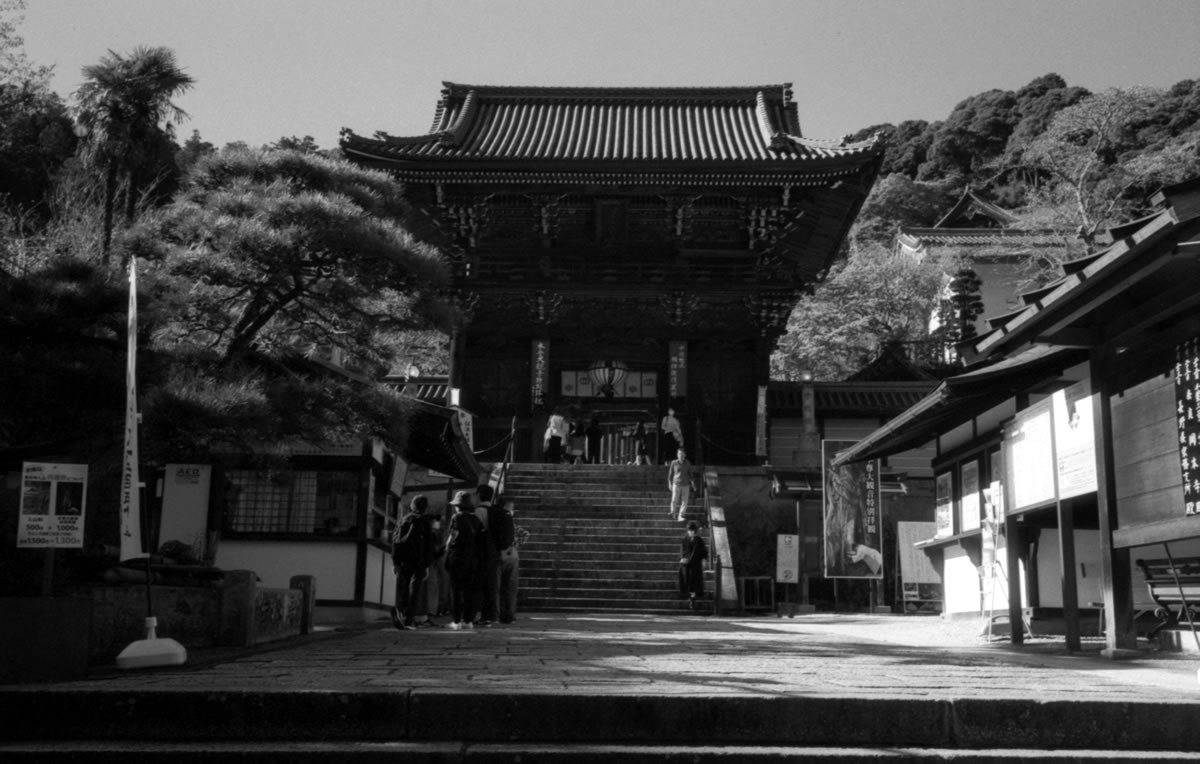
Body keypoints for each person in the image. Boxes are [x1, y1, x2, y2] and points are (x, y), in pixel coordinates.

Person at [391, 495, 435, 630]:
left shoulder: (402, 520)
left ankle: (400, 611)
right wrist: (427, 565)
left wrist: (395, 562)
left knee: (403, 587)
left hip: (403, 560)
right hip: (419, 561)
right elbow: (429, 546)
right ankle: (408, 620)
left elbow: (395, 542)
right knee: (414, 590)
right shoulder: (424, 522)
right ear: (425, 508)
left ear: (412, 506)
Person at [444, 490, 484, 630]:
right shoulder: (476, 520)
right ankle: (468, 620)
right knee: (469, 590)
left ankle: (456, 620)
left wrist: (447, 547)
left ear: (459, 506)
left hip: (458, 557)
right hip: (473, 559)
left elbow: (453, 534)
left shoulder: (457, 517)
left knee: (455, 590)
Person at [492, 493, 530, 624]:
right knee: (510, 588)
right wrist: (515, 546)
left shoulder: (496, 516)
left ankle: (496, 615)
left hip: (499, 553)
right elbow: (525, 534)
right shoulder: (510, 519)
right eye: (511, 507)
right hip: (512, 554)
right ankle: (509, 615)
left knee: (496, 587)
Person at [475, 483, 500, 626]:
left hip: (481, 551)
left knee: (479, 584)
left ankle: (479, 613)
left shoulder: (478, 511)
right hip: (494, 551)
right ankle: (491, 615)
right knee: (491, 584)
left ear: (479, 495)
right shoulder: (496, 511)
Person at [678, 521, 708, 609]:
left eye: (692, 530)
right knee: (687, 580)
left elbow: (703, 552)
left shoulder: (699, 540)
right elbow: (682, 552)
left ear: (695, 531)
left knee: (694, 581)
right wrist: (683, 558)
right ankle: (690, 597)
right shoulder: (684, 540)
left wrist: (704, 559)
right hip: (687, 564)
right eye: (689, 530)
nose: (691, 532)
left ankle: (692, 599)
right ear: (687, 531)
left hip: (695, 564)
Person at [667, 448, 693, 521]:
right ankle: (673, 512)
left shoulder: (687, 463)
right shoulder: (674, 463)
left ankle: (681, 515)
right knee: (674, 499)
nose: (680, 455)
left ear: (685, 455)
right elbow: (670, 474)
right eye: (679, 454)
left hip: (685, 484)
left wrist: (693, 483)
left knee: (685, 501)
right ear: (677, 455)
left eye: (682, 454)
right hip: (676, 483)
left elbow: (690, 474)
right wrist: (669, 483)